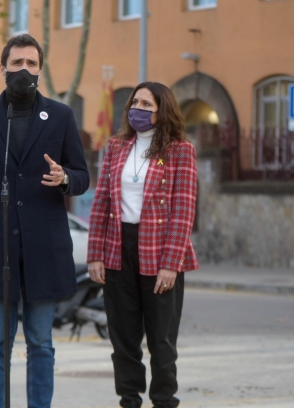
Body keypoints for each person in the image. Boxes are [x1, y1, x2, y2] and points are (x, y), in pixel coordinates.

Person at [0, 34, 90, 408]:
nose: (24, 70)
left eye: (31, 63)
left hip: (46, 248)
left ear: (40, 71)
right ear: (3, 68)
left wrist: (65, 178)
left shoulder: (60, 115)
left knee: (41, 344)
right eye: (17, 63)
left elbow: (82, 174)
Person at [87, 82, 199, 408]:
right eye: (135, 102)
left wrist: (171, 263)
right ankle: (129, 400)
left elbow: (183, 210)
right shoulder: (116, 147)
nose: (138, 108)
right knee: (123, 338)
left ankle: (164, 400)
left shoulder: (179, 151)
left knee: (161, 340)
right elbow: (102, 202)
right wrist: (95, 254)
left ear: (162, 110)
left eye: (146, 104)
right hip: (117, 248)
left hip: (160, 250)